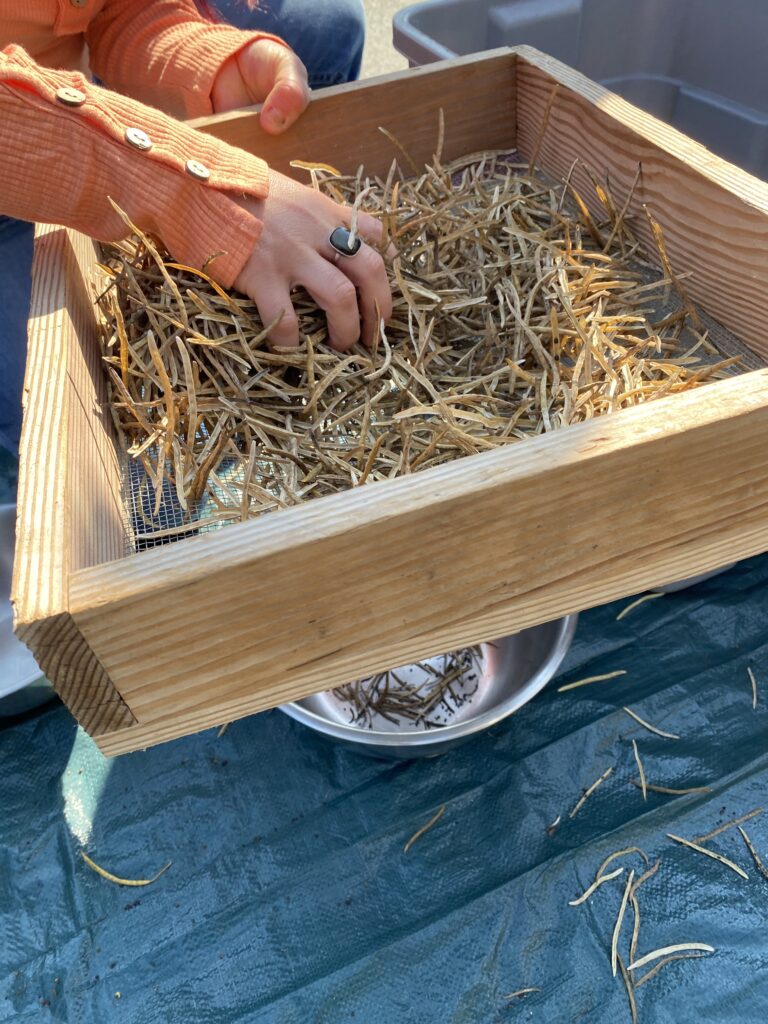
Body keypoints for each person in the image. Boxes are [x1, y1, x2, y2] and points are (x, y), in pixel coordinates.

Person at [0, 0, 392, 458]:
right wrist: (196, 188)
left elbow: (114, 10)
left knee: (331, 30)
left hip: (58, 89)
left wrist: (208, 63)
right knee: (48, 434)